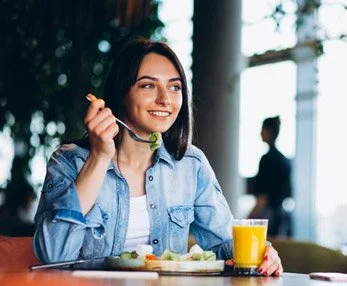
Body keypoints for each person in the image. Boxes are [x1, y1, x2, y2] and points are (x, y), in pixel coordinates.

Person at [33, 38, 283, 276]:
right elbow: (53, 255)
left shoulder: (190, 165)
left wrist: (263, 255)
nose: (165, 100)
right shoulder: (69, 162)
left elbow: (225, 247)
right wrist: (99, 157)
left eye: (174, 87)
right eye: (148, 85)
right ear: (121, 94)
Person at [247, 116, 292, 237]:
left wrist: (248, 218)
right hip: (282, 217)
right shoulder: (284, 160)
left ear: (269, 132)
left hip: (268, 217)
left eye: (263, 129)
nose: (260, 133)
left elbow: (263, 197)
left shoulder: (267, 159)